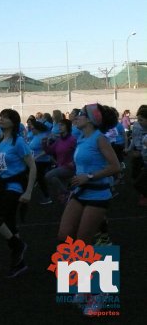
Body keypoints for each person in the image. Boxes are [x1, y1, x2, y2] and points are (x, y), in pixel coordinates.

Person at [0, 109, 36, 278]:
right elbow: (1, 167)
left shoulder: (18, 142)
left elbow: (32, 167)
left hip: (15, 186)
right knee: (10, 224)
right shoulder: (1, 142)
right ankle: (19, 263)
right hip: (2, 185)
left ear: (14, 122)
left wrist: (28, 192)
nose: (2, 119)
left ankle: (18, 246)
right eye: (1, 117)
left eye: (6, 118)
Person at [57, 104, 120, 244]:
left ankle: (98, 251)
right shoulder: (82, 138)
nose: (77, 116)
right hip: (79, 192)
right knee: (64, 235)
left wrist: (89, 176)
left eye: (81, 113)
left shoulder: (100, 138)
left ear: (91, 119)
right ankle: (99, 243)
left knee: (82, 240)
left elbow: (115, 167)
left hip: (98, 194)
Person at [43, 119, 77, 203]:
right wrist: (44, 143)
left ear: (67, 127)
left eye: (62, 125)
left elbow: (79, 152)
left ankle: (67, 192)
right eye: (59, 125)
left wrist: (73, 162)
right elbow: (50, 151)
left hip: (69, 168)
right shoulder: (59, 140)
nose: (59, 127)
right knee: (63, 200)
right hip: (60, 167)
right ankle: (67, 194)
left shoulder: (72, 140)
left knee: (48, 176)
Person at [126, 105, 147, 206]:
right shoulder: (139, 128)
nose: (139, 122)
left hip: (141, 156)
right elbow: (134, 139)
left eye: (141, 120)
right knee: (136, 177)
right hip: (141, 155)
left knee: (138, 182)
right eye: (138, 120)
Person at [28, 120, 53, 205]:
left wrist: (36, 157)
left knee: (40, 179)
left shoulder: (43, 137)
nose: (31, 130)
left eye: (32, 129)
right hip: (35, 161)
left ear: (37, 129)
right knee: (38, 178)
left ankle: (47, 197)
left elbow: (46, 151)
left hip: (42, 161)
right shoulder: (36, 136)